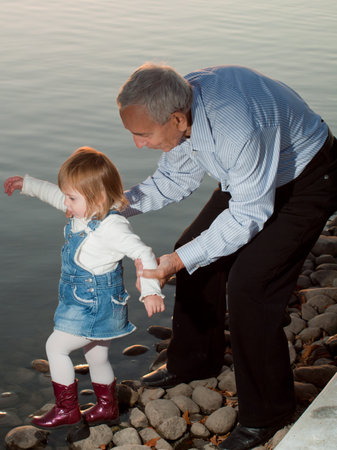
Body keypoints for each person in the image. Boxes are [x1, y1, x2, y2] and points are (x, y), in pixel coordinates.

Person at [116, 63, 337, 449]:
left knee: (252, 286)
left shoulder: (236, 127)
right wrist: (117, 208)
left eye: (143, 135)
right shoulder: (183, 110)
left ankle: (268, 413)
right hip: (251, 173)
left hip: (308, 178)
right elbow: (174, 179)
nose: (138, 144)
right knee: (196, 248)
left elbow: (248, 214)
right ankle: (195, 360)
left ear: (177, 119)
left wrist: (175, 260)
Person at [4, 146, 165, 430]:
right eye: (67, 195)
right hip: (92, 302)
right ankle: (107, 406)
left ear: (97, 197)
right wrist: (26, 184)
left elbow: (143, 252)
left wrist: (150, 289)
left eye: (72, 198)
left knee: (55, 348)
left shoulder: (111, 226)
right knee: (96, 355)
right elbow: (54, 194)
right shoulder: (83, 211)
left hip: (92, 303)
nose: (65, 203)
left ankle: (67, 409)